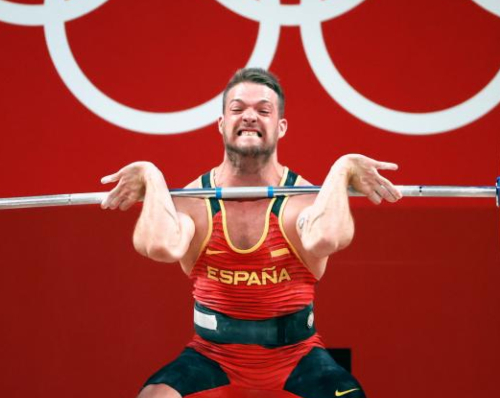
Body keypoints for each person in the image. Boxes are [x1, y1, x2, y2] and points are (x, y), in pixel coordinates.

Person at [100, 68, 402, 397]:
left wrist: (343, 169)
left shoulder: (301, 199)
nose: (249, 117)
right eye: (238, 108)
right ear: (221, 124)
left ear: (281, 126)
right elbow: (161, 247)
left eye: (263, 110)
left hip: (297, 357)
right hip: (210, 357)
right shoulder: (195, 201)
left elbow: (326, 239)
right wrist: (150, 174)